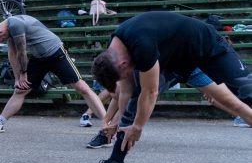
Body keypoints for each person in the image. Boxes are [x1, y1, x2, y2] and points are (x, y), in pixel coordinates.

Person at [89, 11, 252, 163]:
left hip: (204, 46)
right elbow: (126, 92)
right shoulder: (113, 51)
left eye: (124, 74)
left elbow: (150, 92)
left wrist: (137, 127)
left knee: (244, 93)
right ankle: (116, 162)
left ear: (122, 64)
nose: (128, 75)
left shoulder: (141, 46)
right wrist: (119, 123)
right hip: (173, 63)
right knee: (135, 101)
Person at [0, 15, 107, 133]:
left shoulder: (15, 24)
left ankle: (107, 124)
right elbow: (12, 55)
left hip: (56, 53)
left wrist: (24, 73)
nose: (4, 40)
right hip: (39, 58)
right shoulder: (7, 28)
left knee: (82, 88)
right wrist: (17, 78)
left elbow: (21, 52)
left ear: (0, 32)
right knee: (20, 90)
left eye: (2, 39)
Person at [85, 67, 252, 148]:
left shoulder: (130, 61)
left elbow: (130, 96)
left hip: (187, 66)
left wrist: (118, 122)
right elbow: (121, 97)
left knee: (229, 101)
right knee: (129, 99)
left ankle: (112, 134)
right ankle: (107, 135)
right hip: (168, 68)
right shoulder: (124, 66)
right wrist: (108, 121)